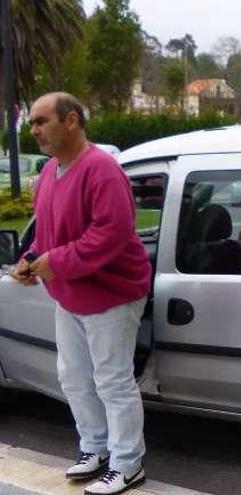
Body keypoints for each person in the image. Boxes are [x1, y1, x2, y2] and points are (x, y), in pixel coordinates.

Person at [10, 92, 151, 495]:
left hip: (111, 295)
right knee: (73, 377)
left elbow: (111, 233)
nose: (33, 130)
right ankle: (96, 448)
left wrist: (57, 262)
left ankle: (128, 464)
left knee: (113, 381)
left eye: (41, 121)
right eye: (33, 122)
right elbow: (47, 234)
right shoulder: (50, 173)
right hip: (70, 295)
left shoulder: (101, 170)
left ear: (71, 120)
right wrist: (31, 259)